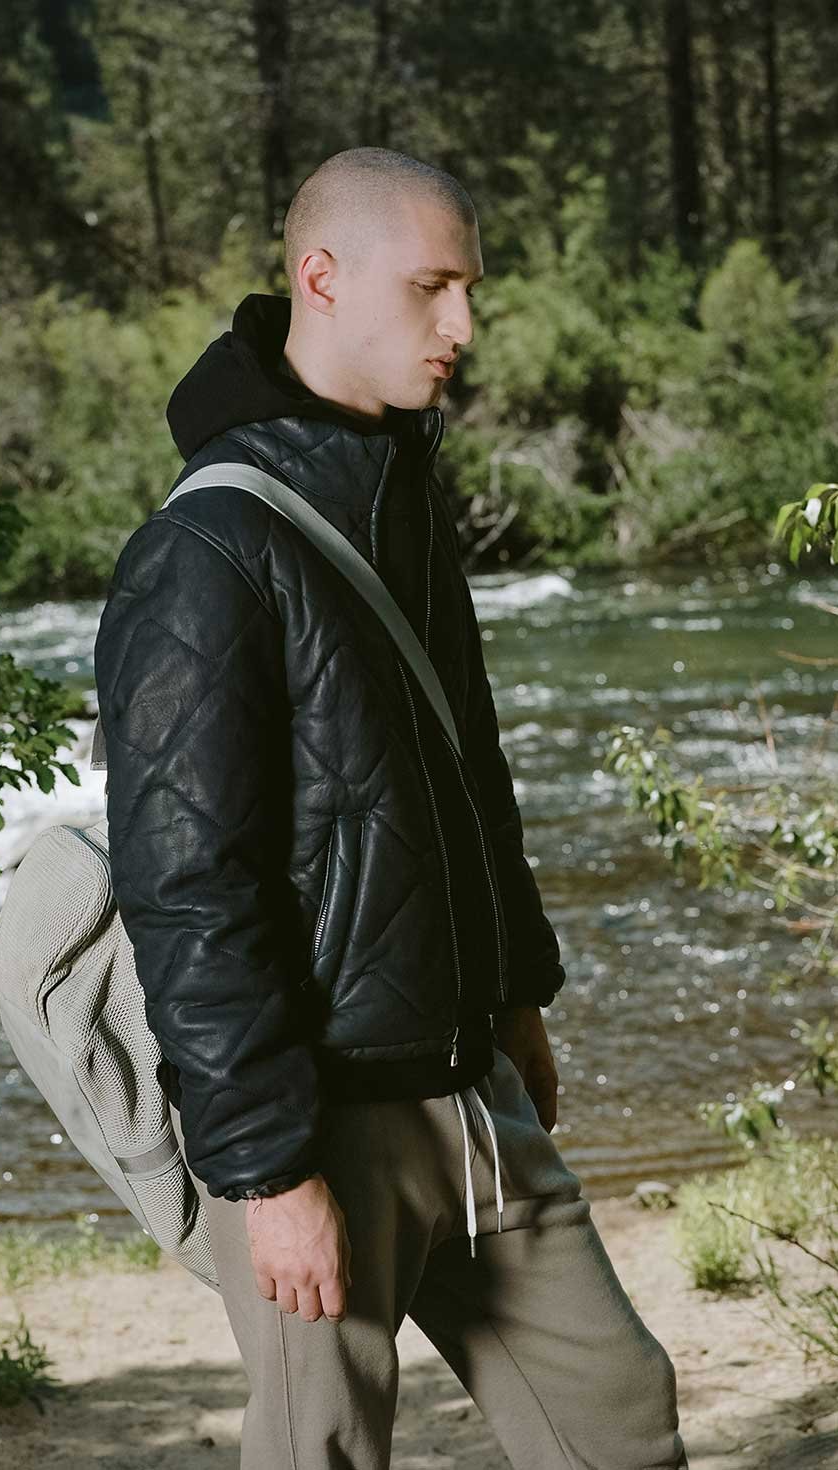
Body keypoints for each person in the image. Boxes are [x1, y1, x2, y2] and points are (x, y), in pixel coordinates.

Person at [94, 147, 689, 1469]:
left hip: (471, 1087)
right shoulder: (202, 549)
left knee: (619, 1409)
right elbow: (185, 887)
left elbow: (471, 776)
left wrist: (516, 995)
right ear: (322, 278)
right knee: (323, 1450)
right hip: (319, 1118)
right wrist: (265, 1169)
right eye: (432, 288)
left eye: (469, 289)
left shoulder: (398, 497)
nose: (463, 324)